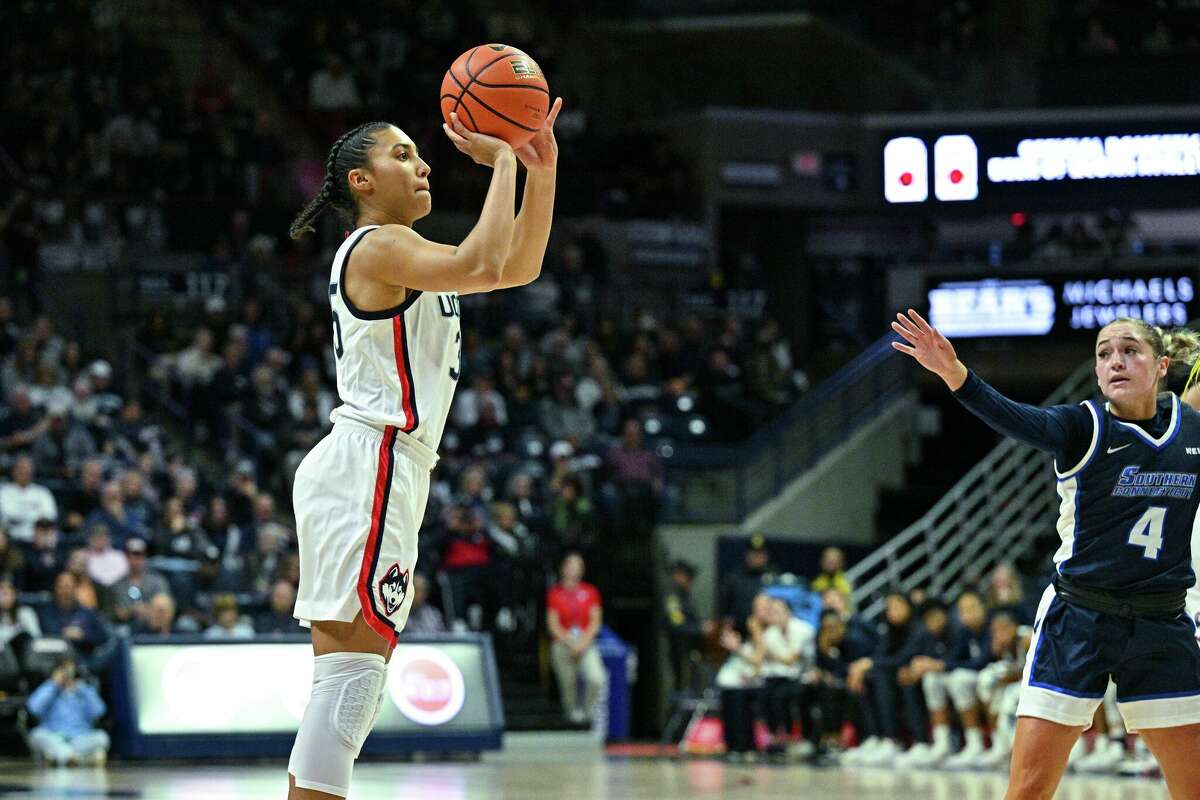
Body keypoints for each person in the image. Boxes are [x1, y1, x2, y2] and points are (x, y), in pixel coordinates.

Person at [283, 97, 561, 798]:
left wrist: (541, 170)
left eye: (418, 150)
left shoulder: (406, 253)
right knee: (350, 689)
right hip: (369, 462)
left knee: (348, 687)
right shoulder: (380, 246)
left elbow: (512, 267)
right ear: (360, 182)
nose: (422, 162)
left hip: (382, 468)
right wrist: (502, 161)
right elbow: (484, 255)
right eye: (400, 154)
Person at [891, 310, 1200, 798]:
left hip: (1162, 622)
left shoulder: (1191, 430)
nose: (1115, 362)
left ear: (1161, 366)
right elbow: (1014, 416)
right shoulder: (1081, 427)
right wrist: (954, 372)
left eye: (1129, 351)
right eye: (1104, 354)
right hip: (1079, 618)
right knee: (1030, 789)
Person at [546, 552, 606, 725]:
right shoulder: (555, 593)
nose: (574, 570)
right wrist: (570, 642)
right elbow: (553, 625)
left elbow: (595, 622)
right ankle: (572, 717)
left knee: (596, 678)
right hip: (562, 644)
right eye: (571, 566)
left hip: (586, 643)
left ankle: (587, 712)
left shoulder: (590, 592)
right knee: (568, 683)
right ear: (563, 568)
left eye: (578, 566)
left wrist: (581, 644)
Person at [26, 656, 109, 766]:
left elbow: (99, 711)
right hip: (54, 737)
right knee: (36, 735)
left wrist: (82, 689)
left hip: (79, 738)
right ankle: (77, 758)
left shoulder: (84, 690)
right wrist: (53, 685)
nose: (67, 674)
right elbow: (33, 708)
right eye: (63, 670)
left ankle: (59, 757)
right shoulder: (49, 688)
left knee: (102, 737)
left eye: (70, 670)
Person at [662, 559, 713, 692]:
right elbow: (676, 625)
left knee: (693, 686)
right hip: (679, 651)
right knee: (682, 687)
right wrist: (700, 628)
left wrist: (702, 624)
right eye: (688, 576)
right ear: (678, 575)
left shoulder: (685, 595)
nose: (691, 581)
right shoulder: (672, 597)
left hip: (690, 649)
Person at [0, 455, 57, 543]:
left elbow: (49, 516)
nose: (24, 471)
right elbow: (9, 514)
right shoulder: (4, 491)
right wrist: (35, 514)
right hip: (12, 537)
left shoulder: (42, 492)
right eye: (21, 468)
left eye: (28, 469)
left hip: (39, 538)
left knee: (51, 534)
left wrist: (23, 515)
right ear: (14, 470)